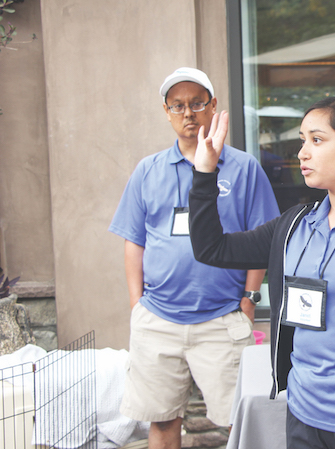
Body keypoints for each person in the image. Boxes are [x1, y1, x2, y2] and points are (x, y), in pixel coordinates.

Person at [189, 96, 335, 448]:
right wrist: (205, 173)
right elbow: (212, 248)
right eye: (302, 140)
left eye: (317, 140)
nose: (302, 152)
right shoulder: (294, 226)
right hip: (303, 415)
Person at [108, 67, 280, 449]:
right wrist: (137, 304)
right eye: (178, 105)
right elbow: (133, 241)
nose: (188, 113)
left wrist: (250, 300)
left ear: (213, 106)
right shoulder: (147, 171)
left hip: (222, 318)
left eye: (197, 103)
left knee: (241, 422)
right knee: (163, 423)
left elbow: (262, 239)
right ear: (166, 112)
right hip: (158, 320)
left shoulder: (244, 168)